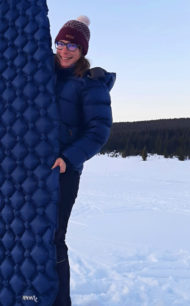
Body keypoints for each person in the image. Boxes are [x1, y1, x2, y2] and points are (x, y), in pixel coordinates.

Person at [50, 16, 116, 306]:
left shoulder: (91, 84)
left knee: (53, 238)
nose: (64, 50)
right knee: (24, 236)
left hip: (64, 172)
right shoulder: (42, 73)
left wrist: (68, 158)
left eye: (72, 46)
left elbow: (98, 132)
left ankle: (60, 301)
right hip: (32, 169)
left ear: (83, 50)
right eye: (60, 43)